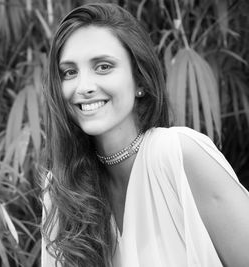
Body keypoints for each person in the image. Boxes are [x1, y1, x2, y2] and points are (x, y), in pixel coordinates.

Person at [40, 3, 249, 267]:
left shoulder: (178, 156)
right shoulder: (61, 189)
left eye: (103, 67)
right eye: (69, 72)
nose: (84, 87)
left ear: (139, 80)